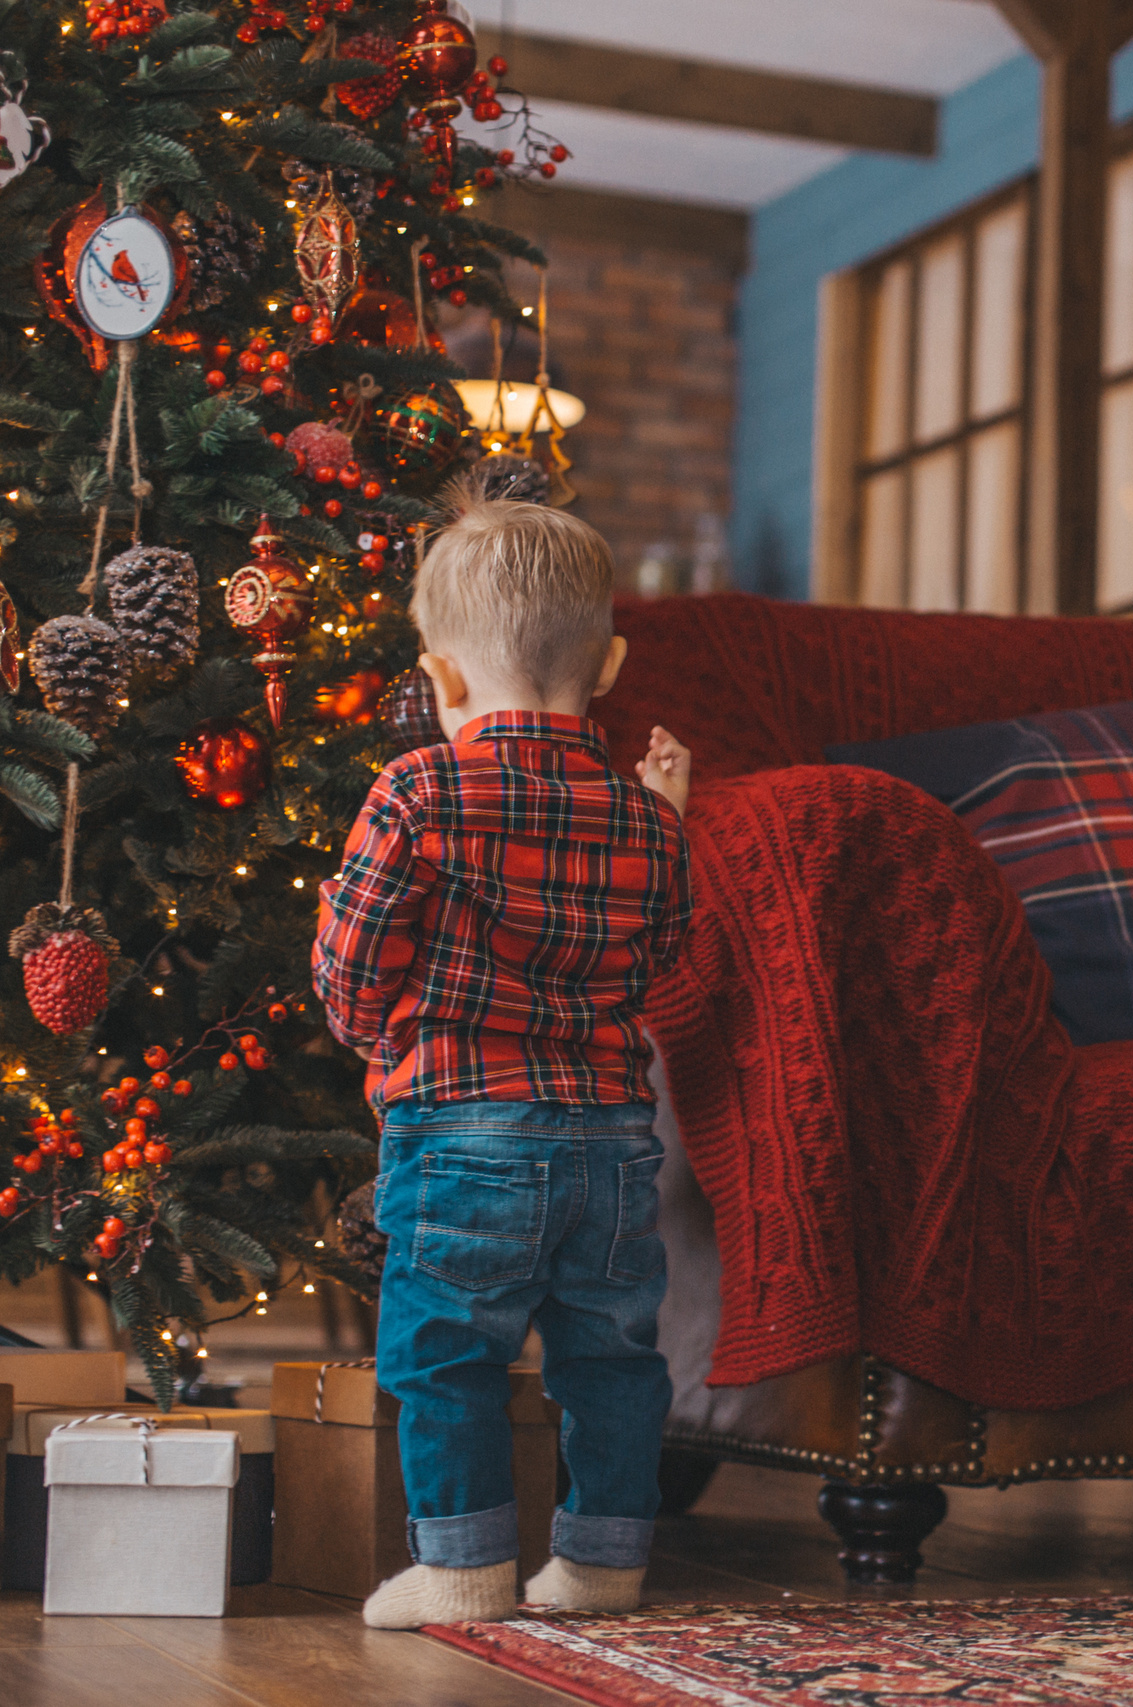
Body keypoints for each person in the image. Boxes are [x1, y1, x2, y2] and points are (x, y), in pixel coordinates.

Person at [314, 488, 697, 1629]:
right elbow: (662, 963)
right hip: (615, 1146)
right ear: (611, 664)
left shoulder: (417, 788)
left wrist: (385, 1037)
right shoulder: (641, 817)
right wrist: (666, 820)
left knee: (442, 1356)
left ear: (438, 680)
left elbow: (348, 973)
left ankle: (465, 1570)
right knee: (613, 1362)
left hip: (461, 1129)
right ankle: (603, 1565)